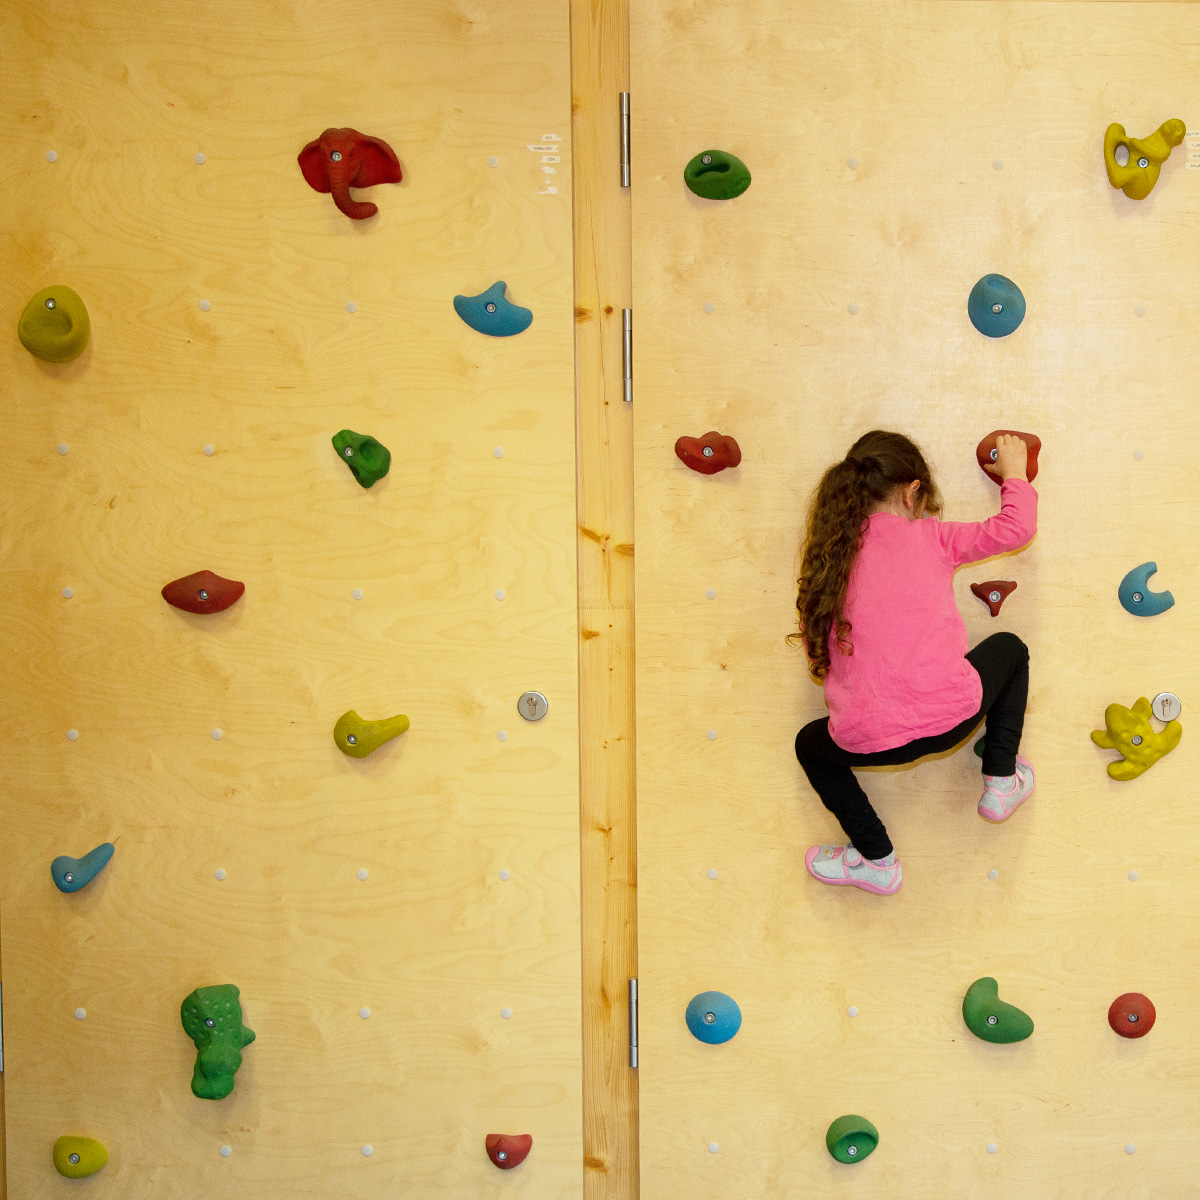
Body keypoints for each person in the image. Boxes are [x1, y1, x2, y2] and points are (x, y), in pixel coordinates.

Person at [791, 430, 1037, 895]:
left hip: (869, 741)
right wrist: (1015, 474)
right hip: (953, 718)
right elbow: (1016, 530)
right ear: (912, 492)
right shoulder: (933, 538)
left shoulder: (829, 562)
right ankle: (1001, 779)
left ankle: (876, 859)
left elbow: (814, 650)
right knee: (1011, 647)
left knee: (810, 744)